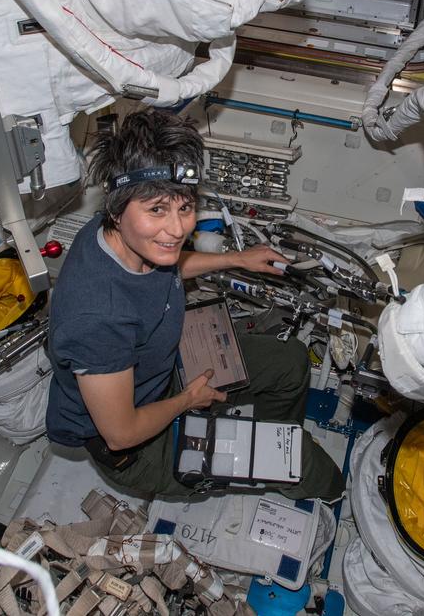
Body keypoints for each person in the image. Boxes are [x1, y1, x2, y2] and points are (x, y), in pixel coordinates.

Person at [45, 109, 345, 501]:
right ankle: (309, 480)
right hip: (136, 447)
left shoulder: (120, 236)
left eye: (184, 207)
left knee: (291, 361)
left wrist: (237, 259)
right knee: (305, 465)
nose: (177, 229)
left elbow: (166, 265)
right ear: (117, 210)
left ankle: (272, 444)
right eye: (157, 210)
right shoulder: (97, 319)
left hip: (158, 371)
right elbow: (121, 435)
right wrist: (189, 399)